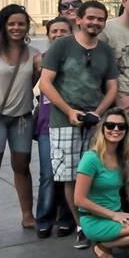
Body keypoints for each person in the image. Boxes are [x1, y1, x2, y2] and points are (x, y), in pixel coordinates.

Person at [40, 1, 119, 249]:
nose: (95, 23)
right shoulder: (62, 46)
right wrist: (68, 110)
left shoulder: (105, 51)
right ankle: (81, 226)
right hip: (64, 121)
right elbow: (45, 83)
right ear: (80, 19)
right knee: (70, 175)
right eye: (91, 18)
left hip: (95, 121)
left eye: (100, 19)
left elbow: (112, 87)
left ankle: (95, 222)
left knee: (95, 173)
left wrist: (98, 112)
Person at [0, 4, 41, 246]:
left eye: (21, 24)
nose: (16, 28)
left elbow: (34, 82)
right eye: (11, 23)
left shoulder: (34, 54)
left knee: (22, 166)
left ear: (26, 27)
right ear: (3, 25)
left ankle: (27, 215)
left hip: (22, 118)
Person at [73, 108, 129, 258]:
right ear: (102, 128)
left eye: (121, 126)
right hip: (94, 219)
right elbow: (79, 200)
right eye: (111, 125)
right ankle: (103, 246)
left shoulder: (122, 155)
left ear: (127, 131)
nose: (115, 130)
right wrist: (113, 215)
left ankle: (109, 244)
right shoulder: (91, 158)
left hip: (117, 216)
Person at [35, 17, 75, 239]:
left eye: (63, 31)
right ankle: (44, 218)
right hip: (46, 124)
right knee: (48, 174)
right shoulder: (40, 60)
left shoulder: (77, 59)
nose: (58, 34)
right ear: (48, 34)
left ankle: (66, 219)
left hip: (70, 123)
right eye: (54, 31)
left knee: (69, 174)